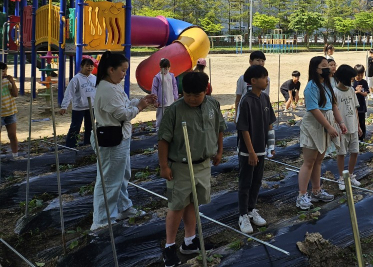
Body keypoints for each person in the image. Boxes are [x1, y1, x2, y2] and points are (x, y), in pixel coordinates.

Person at [158, 71, 225, 267]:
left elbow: (219, 128)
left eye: (197, 95)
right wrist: (163, 166)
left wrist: (219, 151)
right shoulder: (175, 110)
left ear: (206, 90)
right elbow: (163, 140)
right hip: (180, 166)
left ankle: (189, 241)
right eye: (188, 95)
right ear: (181, 92)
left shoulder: (213, 105)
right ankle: (169, 246)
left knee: (193, 203)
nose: (192, 99)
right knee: (176, 205)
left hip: (203, 164)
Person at [91, 51, 156, 231]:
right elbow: (123, 114)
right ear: (111, 69)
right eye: (123, 71)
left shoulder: (114, 86)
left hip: (120, 137)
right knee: (109, 180)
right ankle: (102, 220)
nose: (124, 74)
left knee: (121, 175)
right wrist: (141, 107)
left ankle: (123, 208)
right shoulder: (106, 89)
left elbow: (126, 104)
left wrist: (141, 101)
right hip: (111, 139)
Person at [296, 56, 347, 210]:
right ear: (315, 69)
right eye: (324, 66)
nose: (328, 68)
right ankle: (302, 195)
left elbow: (333, 106)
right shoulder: (311, 87)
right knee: (309, 161)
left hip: (327, 123)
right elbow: (314, 109)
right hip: (314, 125)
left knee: (319, 159)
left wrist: (340, 122)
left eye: (328, 65)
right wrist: (329, 128)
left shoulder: (328, 84)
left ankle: (316, 191)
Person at [236, 65, 276, 234]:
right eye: (264, 77)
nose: (267, 80)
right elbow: (243, 129)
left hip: (261, 148)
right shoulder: (246, 101)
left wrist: (271, 146)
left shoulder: (265, 99)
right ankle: (243, 215)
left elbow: (269, 123)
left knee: (257, 181)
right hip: (248, 151)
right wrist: (251, 152)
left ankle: (252, 209)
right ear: (253, 81)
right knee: (245, 182)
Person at [334, 65, 362, 191]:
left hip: (353, 126)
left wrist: (358, 125)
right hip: (341, 128)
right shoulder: (335, 92)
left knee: (355, 151)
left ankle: (350, 175)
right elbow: (333, 111)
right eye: (350, 78)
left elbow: (355, 107)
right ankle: (341, 178)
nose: (352, 81)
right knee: (341, 153)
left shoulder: (351, 90)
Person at [60, 57, 97, 148]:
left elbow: (99, 91)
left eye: (91, 66)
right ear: (82, 66)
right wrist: (64, 106)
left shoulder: (94, 78)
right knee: (75, 127)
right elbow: (69, 93)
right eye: (87, 66)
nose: (89, 68)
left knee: (90, 127)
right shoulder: (76, 79)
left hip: (91, 107)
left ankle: (88, 144)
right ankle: (71, 145)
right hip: (79, 107)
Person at [151, 58, 179, 129]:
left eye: (167, 68)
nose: (165, 70)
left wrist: (175, 97)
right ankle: (158, 132)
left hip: (171, 101)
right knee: (160, 119)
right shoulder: (157, 77)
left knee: (171, 118)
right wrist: (155, 101)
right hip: (161, 102)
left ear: (169, 68)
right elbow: (154, 89)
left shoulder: (171, 76)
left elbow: (175, 87)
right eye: (163, 68)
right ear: (160, 68)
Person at [0, 62, 19, 159]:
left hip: (10, 111)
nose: (4, 73)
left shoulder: (7, 81)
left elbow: (15, 94)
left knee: (12, 135)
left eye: (5, 71)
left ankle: (15, 155)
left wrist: (12, 82)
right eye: (2, 71)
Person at [351, 64, 369, 141]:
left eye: (362, 75)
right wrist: (356, 91)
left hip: (361, 105)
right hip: (352, 106)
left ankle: (362, 138)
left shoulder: (364, 82)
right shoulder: (352, 82)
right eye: (358, 75)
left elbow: (366, 93)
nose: (360, 76)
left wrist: (360, 92)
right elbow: (349, 94)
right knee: (353, 122)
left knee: (362, 122)